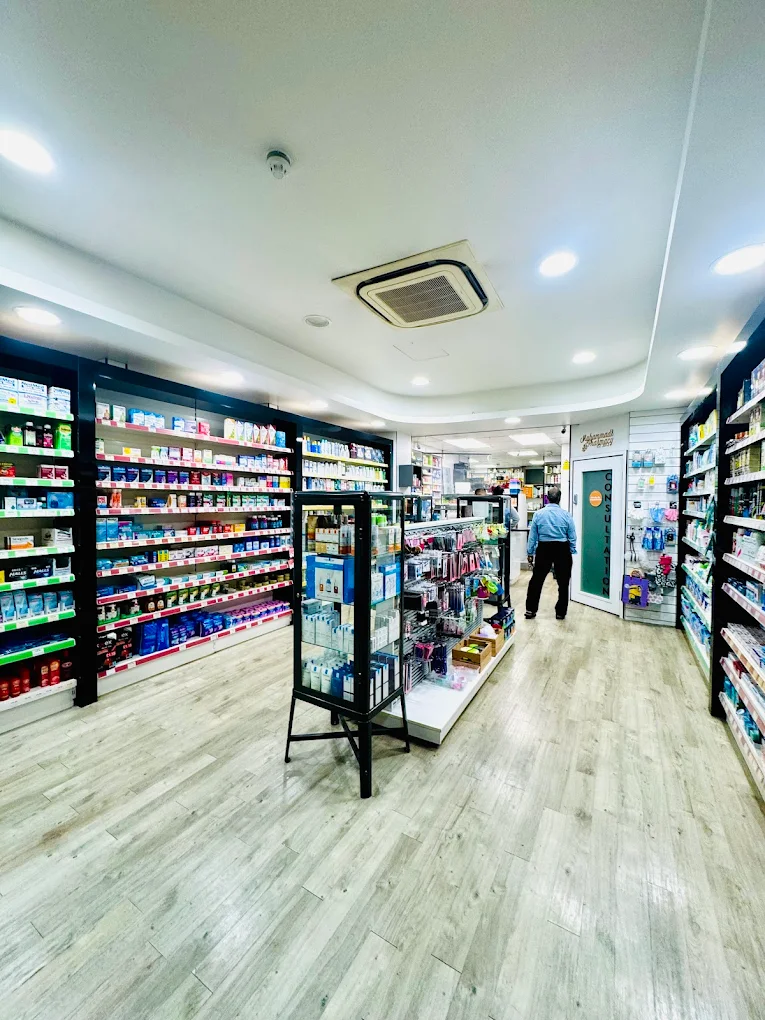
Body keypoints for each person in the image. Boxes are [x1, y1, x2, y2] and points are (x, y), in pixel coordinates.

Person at [525, 485, 576, 620]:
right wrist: (571, 549)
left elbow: (532, 536)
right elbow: (572, 535)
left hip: (544, 548)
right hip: (562, 549)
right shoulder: (566, 515)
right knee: (563, 582)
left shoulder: (538, 514)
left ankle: (530, 610)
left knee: (536, 580)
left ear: (547, 498)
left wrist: (530, 552)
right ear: (559, 498)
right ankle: (560, 612)